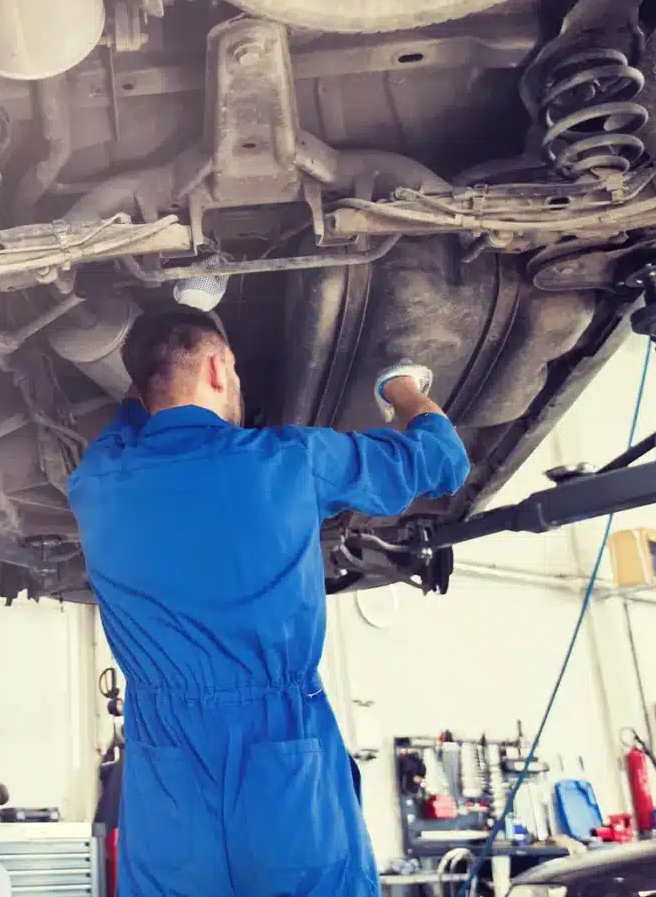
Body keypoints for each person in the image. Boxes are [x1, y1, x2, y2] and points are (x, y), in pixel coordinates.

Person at [69, 308, 470, 897]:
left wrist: (153, 376)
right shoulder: (290, 459)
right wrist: (401, 386)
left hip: (164, 754)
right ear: (216, 366)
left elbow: (134, 413)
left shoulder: (96, 479)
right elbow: (443, 462)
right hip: (280, 740)